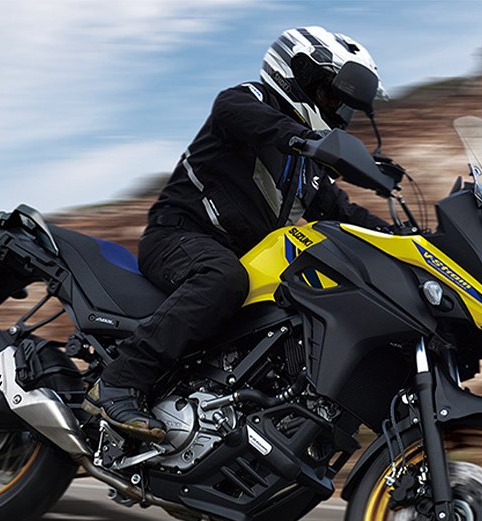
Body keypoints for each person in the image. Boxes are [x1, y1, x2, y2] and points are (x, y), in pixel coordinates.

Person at [84, 26, 389, 444]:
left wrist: (406, 237)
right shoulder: (246, 103)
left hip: (238, 257)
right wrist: (307, 139)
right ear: (296, 75)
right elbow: (252, 120)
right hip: (177, 237)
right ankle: (119, 382)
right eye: (330, 95)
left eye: (343, 104)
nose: (337, 110)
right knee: (222, 278)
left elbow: (344, 213)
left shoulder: (306, 168)